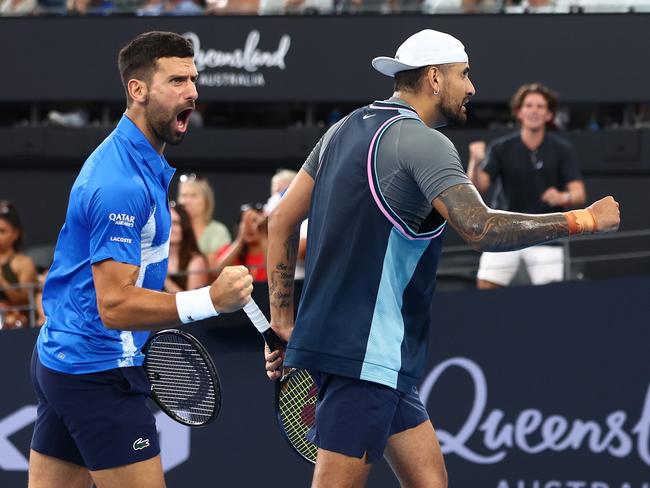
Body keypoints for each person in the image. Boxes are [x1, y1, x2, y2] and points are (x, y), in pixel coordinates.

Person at [263, 29, 620, 488]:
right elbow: (481, 228)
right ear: (435, 78)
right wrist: (582, 220)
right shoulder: (424, 142)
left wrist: (283, 320)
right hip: (365, 355)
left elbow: (280, 222)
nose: (471, 87)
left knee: (431, 482)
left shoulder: (342, 129)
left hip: (375, 353)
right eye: (463, 74)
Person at [29, 31, 253, 488]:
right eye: (176, 80)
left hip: (64, 358)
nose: (191, 91)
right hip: (98, 371)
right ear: (138, 90)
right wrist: (208, 300)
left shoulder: (140, 164)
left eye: (194, 79)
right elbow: (114, 305)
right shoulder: (120, 183)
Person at [467, 82, 586, 288]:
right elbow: (478, 188)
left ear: (549, 115)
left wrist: (562, 197)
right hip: (505, 232)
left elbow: (578, 193)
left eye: (540, 107)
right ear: (519, 112)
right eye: (529, 105)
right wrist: (475, 162)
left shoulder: (563, 149)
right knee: (486, 290)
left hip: (547, 235)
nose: (534, 111)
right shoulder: (501, 148)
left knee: (552, 299)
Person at [0, 201, 37, 329]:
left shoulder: (23, 263)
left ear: (16, 233)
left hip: (17, 327)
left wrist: (2, 280)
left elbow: (26, 301)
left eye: (2, 231)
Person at [176, 172, 232, 256]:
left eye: (193, 196)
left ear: (206, 201)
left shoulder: (218, 231)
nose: (186, 201)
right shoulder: (172, 230)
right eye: (184, 195)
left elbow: (216, 267)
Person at [211, 203, 268, 282]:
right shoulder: (230, 250)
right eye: (244, 222)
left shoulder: (273, 250)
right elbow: (216, 272)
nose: (249, 227)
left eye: (254, 221)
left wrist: (263, 234)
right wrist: (239, 241)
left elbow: (275, 271)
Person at [164, 202, 210, 293]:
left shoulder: (196, 261)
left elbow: (193, 303)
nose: (170, 228)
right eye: (166, 222)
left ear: (185, 227)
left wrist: (164, 279)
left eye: (175, 223)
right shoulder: (153, 256)